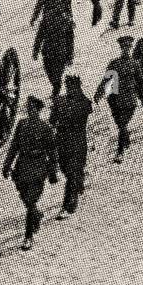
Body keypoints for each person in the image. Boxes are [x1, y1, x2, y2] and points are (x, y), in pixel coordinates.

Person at [2, 94, 59, 251]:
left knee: (31, 200)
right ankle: (36, 214)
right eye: (28, 109)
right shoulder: (21, 124)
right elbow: (14, 146)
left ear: (39, 111)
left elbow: (52, 151)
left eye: (33, 109)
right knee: (24, 197)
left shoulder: (46, 128)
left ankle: (28, 237)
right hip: (22, 167)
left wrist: (53, 172)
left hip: (38, 167)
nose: (30, 111)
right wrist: (7, 165)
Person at [95, 35, 143, 163]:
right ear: (121, 48)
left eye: (128, 47)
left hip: (130, 99)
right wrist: (98, 94)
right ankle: (126, 139)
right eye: (123, 48)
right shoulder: (114, 63)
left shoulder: (135, 64)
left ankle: (120, 152)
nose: (125, 50)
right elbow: (106, 80)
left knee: (122, 125)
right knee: (120, 124)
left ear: (130, 48)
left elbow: (141, 83)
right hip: (115, 100)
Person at [50, 74, 91, 218]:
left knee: (72, 174)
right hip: (61, 142)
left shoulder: (85, 103)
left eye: (73, 87)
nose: (70, 90)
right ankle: (79, 180)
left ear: (78, 87)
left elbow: (81, 117)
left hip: (77, 142)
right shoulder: (59, 101)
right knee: (66, 170)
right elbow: (52, 121)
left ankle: (68, 206)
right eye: (68, 87)